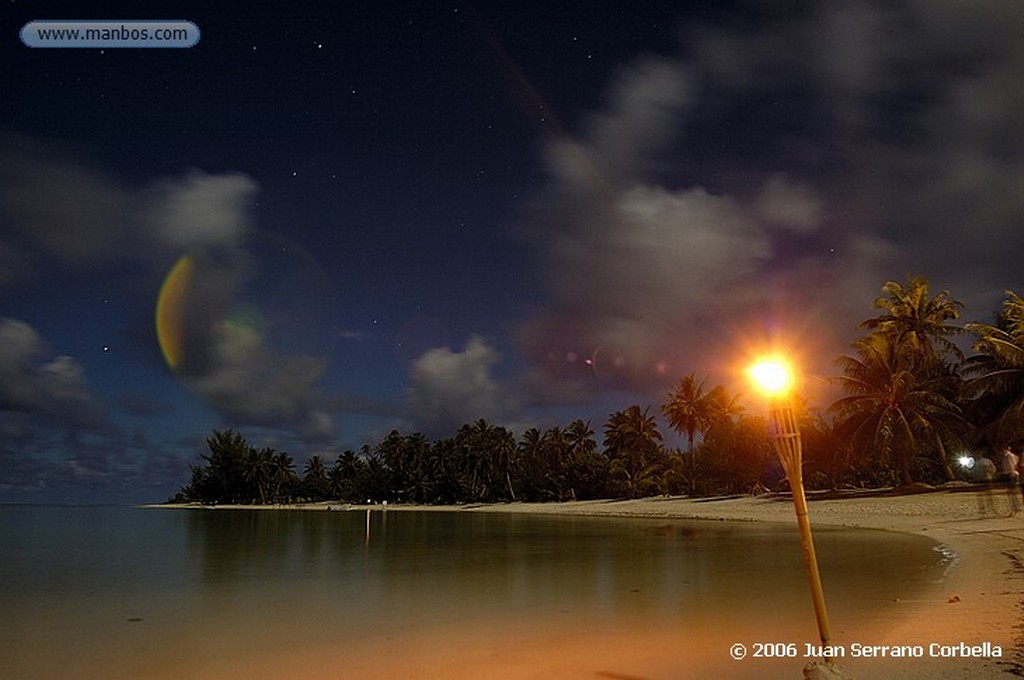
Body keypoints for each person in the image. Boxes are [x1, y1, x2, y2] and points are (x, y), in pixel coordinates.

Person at [999, 445, 1021, 515]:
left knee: (1012, 493)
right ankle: (1015, 508)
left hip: (1011, 474)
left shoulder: (1009, 456)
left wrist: (1012, 472)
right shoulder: (1006, 456)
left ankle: (1015, 508)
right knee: (1011, 493)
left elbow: (1012, 465)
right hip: (1009, 474)